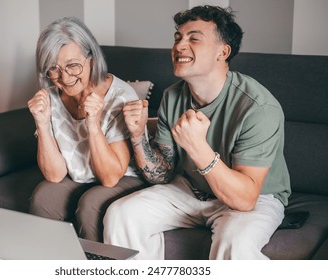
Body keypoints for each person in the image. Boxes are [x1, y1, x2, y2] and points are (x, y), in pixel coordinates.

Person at [103, 5, 291, 259]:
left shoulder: (258, 108)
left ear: (222, 52)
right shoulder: (172, 96)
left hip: (255, 198)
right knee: (121, 214)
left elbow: (245, 199)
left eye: (194, 38)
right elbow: (162, 175)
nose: (179, 46)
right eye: (178, 38)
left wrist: (197, 147)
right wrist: (137, 135)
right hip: (190, 189)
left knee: (235, 241)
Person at [27, 17, 146, 242]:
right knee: (43, 196)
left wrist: (93, 123)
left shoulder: (121, 96)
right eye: (54, 69)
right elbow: (55, 174)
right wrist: (42, 124)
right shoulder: (51, 96)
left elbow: (110, 177)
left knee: (91, 205)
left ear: (92, 58)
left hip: (123, 177)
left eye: (73, 65)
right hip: (78, 177)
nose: (65, 78)